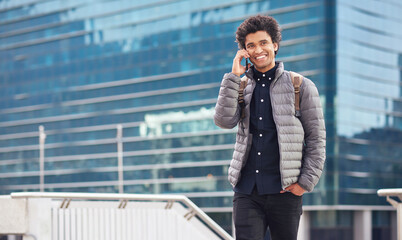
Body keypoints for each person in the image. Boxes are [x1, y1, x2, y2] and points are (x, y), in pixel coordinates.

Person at [213, 15, 326, 240]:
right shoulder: (240, 85)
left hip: (285, 190)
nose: (258, 50)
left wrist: (305, 183)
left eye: (263, 42)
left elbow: (316, 138)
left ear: (275, 45)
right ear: (244, 51)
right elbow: (224, 121)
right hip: (247, 190)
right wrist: (233, 77)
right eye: (251, 45)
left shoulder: (300, 85)